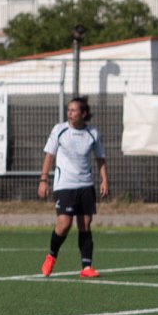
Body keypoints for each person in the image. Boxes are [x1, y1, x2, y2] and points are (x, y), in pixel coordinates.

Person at [39, 95, 108, 278]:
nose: (69, 113)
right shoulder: (59, 130)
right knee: (64, 223)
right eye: (68, 110)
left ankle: (86, 267)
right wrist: (43, 180)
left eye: (73, 110)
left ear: (83, 113)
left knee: (85, 224)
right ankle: (51, 256)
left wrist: (104, 180)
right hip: (64, 184)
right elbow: (49, 155)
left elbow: (100, 158)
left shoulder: (92, 133)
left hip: (85, 184)